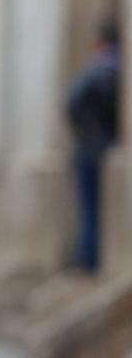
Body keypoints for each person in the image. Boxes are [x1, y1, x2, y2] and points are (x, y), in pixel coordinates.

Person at [66, 20, 120, 273]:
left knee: (90, 206)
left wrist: (85, 129)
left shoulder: (98, 68)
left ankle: (87, 256)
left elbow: (72, 102)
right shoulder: (119, 66)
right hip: (110, 141)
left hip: (91, 145)